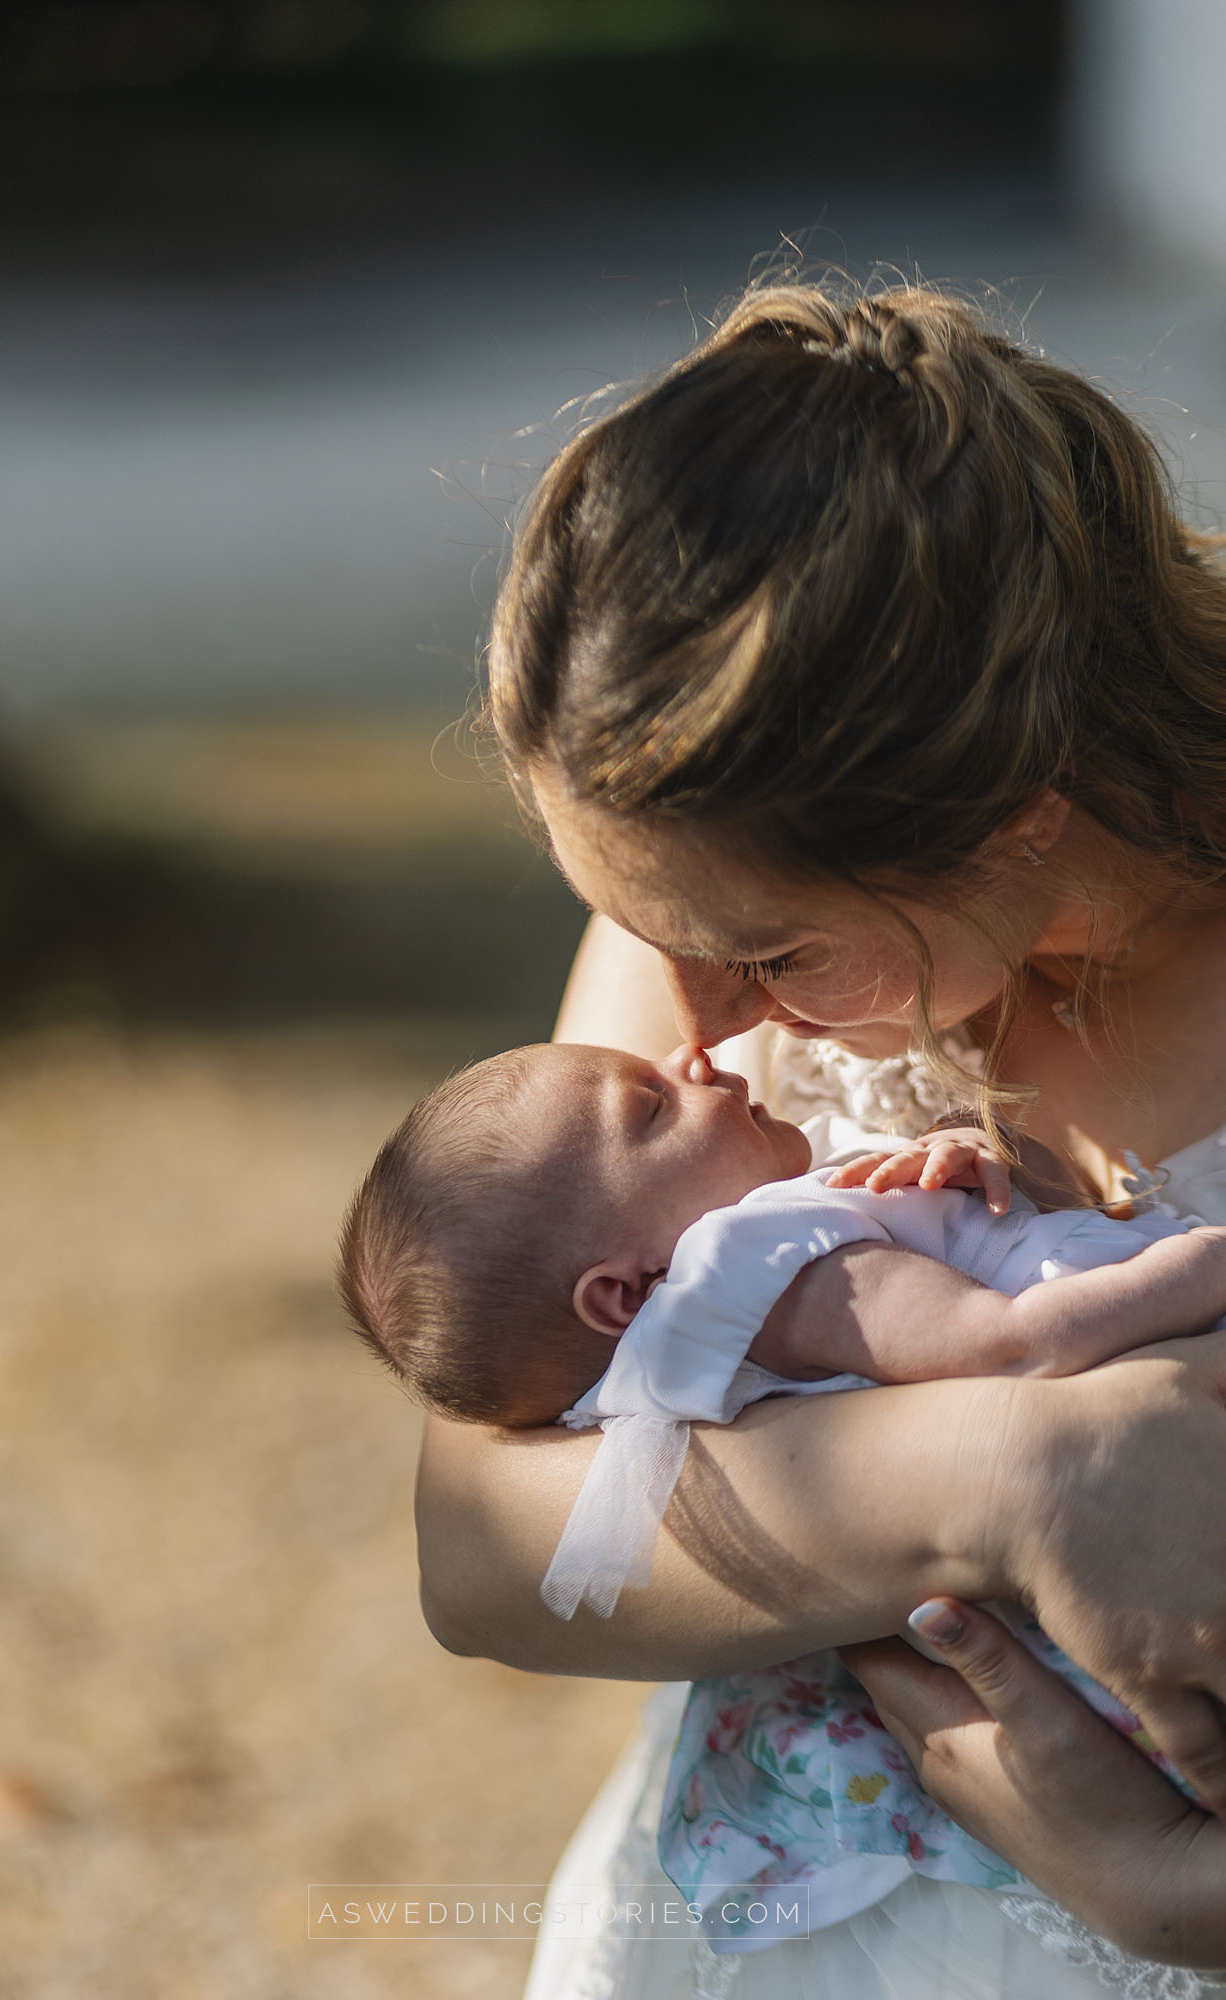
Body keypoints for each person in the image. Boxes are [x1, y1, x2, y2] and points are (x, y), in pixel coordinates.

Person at [413, 281, 1226, 1996]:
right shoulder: (715, 870)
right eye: (643, 927)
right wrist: (1019, 1479)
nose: (706, 1030)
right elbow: (482, 1541)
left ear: (1017, 821)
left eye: (775, 956)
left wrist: (1176, 1900)